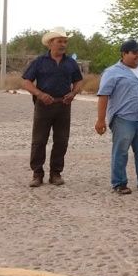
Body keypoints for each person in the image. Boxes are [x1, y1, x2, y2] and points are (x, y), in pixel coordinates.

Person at [95, 39, 138, 194]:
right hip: (123, 118)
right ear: (124, 53)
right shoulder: (112, 72)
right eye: (134, 52)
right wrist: (100, 120)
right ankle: (119, 183)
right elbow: (103, 95)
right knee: (121, 151)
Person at [21, 27, 84, 187]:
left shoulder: (71, 63)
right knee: (39, 140)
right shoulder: (39, 62)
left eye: (65, 41)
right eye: (59, 41)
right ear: (50, 43)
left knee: (62, 140)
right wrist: (40, 94)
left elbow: (78, 81)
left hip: (63, 105)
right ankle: (37, 173)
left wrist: (73, 93)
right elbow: (26, 82)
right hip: (43, 106)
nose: (63, 44)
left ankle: (56, 173)